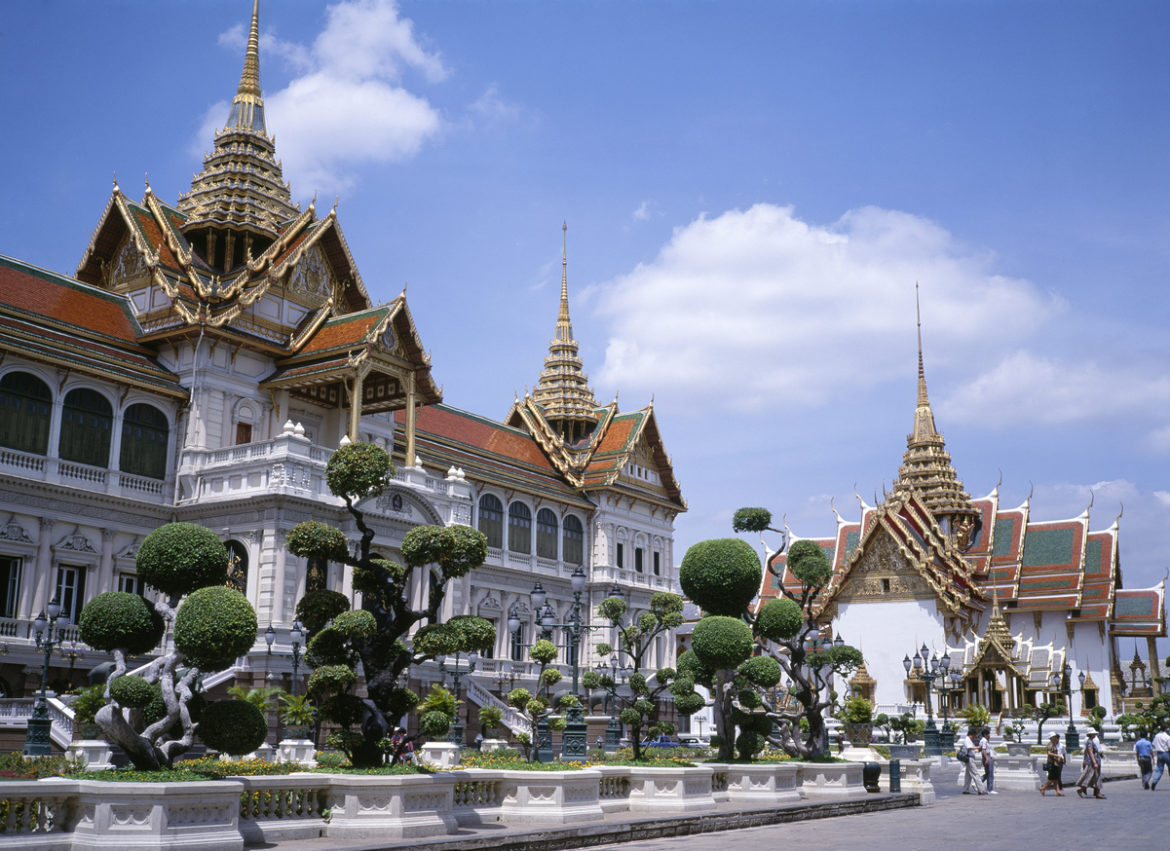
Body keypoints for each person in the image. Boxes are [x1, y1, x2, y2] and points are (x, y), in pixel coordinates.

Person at [1076, 729, 1104, 798]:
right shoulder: (1090, 742)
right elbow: (1090, 752)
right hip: (1092, 762)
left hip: (1095, 761)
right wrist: (1094, 762)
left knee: (1094, 777)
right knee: (1092, 777)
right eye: (1094, 734)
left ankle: (1093, 791)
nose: (1095, 735)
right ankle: (1095, 792)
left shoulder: (1091, 741)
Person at [961, 727, 986, 795]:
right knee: (975, 774)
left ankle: (965, 789)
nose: (974, 737)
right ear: (972, 735)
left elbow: (972, 749)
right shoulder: (967, 740)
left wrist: (978, 750)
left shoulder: (969, 740)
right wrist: (977, 747)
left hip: (970, 758)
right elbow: (969, 748)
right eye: (974, 736)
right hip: (969, 759)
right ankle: (981, 790)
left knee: (968, 775)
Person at [1150, 724, 1170, 790]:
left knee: (1159, 769)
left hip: (1159, 753)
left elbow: (1154, 744)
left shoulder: (1157, 735)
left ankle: (1154, 781)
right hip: (1166, 753)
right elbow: (1169, 747)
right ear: (1166, 729)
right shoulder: (1167, 737)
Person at [980, 726, 997, 794]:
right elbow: (984, 750)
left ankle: (978, 782)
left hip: (986, 756)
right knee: (990, 773)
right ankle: (990, 789)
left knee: (988, 773)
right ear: (985, 734)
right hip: (987, 756)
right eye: (988, 734)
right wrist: (987, 759)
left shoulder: (983, 740)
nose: (989, 736)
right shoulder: (984, 741)